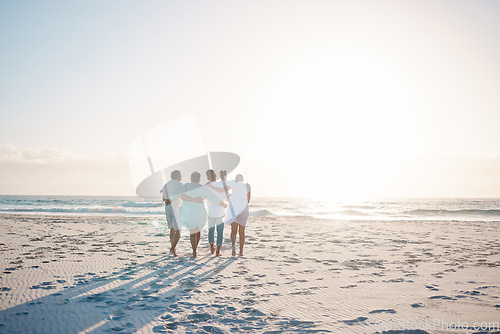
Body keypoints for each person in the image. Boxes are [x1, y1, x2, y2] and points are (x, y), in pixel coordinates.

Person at [170, 172, 227, 258]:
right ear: (199, 179)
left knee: (193, 232)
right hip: (199, 212)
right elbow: (212, 197)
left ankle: (194, 251)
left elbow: (175, 193)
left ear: (191, 178)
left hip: (189, 212)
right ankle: (194, 251)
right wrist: (222, 204)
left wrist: (169, 199)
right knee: (197, 231)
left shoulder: (186, 186)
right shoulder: (202, 188)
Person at [221, 172, 251, 256]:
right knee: (242, 231)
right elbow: (248, 200)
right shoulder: (247, 186)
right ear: (242, 179)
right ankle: (241, 251)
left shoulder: (233, 184)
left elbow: (224, 188)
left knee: (233, 231)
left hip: (234, 209)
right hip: (244, 209)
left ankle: (233, 246)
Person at [205, 169, 230, 256]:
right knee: (220, 232)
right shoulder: (220, 184)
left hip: (210, 212)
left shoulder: (206, 186)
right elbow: (226, 197)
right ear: (215, 176)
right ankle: (218, 251)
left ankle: (212, 248)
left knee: (211, 231)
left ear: (207, 177)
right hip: (220, 212)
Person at [160, 170, 183, 256]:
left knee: (172, 229)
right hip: (176, 208)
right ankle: (172, 248)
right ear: (177, 176)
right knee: (178, 230)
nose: (181, 176)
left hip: (167, 208)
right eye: (180, 175)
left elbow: (163, 199)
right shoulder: (179, 184)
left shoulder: (166, 185)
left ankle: (173, 248)